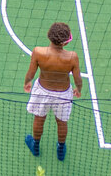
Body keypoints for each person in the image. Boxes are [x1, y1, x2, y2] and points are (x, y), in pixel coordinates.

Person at [23, 22, 82, 160]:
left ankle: (35, 146)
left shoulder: (38, 52)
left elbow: (31, 73)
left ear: (49, 37)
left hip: (42, 91)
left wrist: (27, 83)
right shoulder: (72, 57)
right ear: (65, 43)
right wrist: (78, 89)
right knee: (62, 122)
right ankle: (61, 150)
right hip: (63, 94)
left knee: (39, 118)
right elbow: (78, 79)